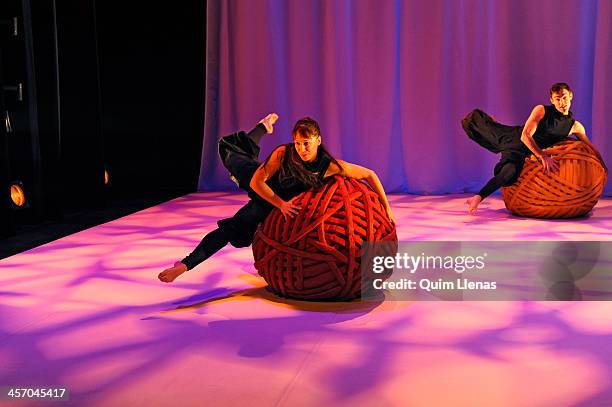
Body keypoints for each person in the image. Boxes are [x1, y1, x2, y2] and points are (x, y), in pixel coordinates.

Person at [158, 114, 394, 283]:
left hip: (265, 202)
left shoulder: (330, 166)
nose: (302, 148)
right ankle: (263, 127)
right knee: (230, 151)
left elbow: (370, 175)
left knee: (233, 230)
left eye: (307, 143)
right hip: (261, 188)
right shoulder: (283, 153)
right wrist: (281, 204)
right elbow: (256, 183)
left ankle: (183, 266)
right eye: (298, 143)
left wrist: (387, 209)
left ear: (318, 141)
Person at [462, 82, 593, 215]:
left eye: (564, 97)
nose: (561, 102)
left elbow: (590, 147)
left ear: (571, 96)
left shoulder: (575, 126)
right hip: (512, 137)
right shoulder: (541, 110)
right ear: (552, 100)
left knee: (508, 174)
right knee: (477, 122)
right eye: (557, 99)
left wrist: (603, 167)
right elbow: (525, 136)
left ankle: (477, 198)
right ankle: (490, 120)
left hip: (519, 153)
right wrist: (542, 156)